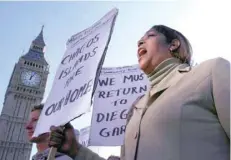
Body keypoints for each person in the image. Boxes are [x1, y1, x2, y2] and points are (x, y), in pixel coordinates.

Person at [48, 25, 230, 160]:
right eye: (140, 39)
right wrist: (74, 149)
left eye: (150, 35)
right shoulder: (135, 109)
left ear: (173, 44)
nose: (139, 41)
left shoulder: (211, 72)